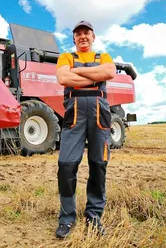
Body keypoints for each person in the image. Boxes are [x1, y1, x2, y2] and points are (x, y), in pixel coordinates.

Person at [54, 21, 116, 238]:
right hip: (74, 113)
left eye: (86, 33)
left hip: (100, 113)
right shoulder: (66, 57)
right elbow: (63, 77)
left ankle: (94, 215)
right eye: (78, 33)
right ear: (73, 38)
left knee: (98, 164)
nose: (82, 36)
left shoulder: (104, 57)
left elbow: (110, 72)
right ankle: (67, 217)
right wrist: (93, 77)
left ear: (93, 36)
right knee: (66, 165)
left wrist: (78, 74)